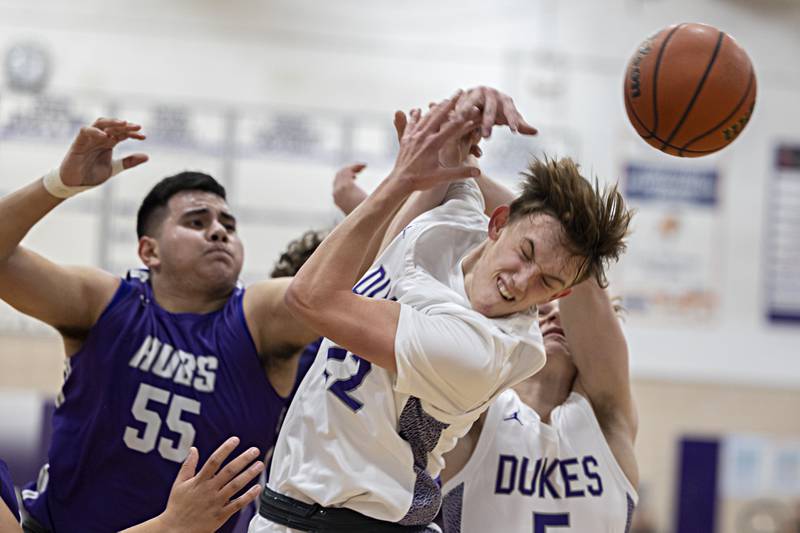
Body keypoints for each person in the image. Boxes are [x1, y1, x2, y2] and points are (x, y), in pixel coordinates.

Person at [250, 87, 632, 532]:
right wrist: (471, 105)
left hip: (351, 519)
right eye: (525, 253)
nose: (522, 281)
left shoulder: (482, 350)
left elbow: (309, 298)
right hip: (300, 509)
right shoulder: (457, 220)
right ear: (498, 223)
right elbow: (447, 153)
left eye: (547, 282)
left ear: (560, 296)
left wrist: (401, 180)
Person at [0, 119, 318, 532]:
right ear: (149, 251)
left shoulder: (257, 316)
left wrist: (405, 194)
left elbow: (324, 289)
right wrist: (60, 185)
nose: (219, 231)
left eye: (229, 225)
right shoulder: (105, 302)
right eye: (196, 222)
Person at [437, 282, 638, 532]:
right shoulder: (478, 410)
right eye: (538, 312)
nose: (554, 315)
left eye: (566, 314)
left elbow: (584, 270)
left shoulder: (606, 420)